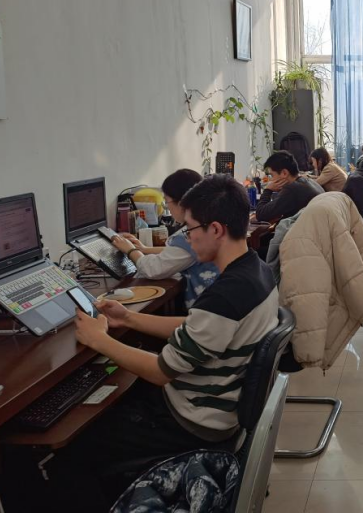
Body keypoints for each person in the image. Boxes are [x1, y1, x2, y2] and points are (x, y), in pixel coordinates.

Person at [49, 175, 279, 512]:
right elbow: (197, 327)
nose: (188, 237)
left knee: (70, 452)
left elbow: (160, 370)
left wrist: (99, 340)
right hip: (217, 411)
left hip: (192, 422)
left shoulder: (225, 296)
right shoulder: (256, 271)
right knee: (110, 401)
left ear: (215, 229)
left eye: (190, 229)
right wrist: (130, 319)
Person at [110, 169, 218, 308]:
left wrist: (131, 251)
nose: (167, 208)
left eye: (167, 202)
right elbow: (183, 251)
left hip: (206, 309)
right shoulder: (207, 223)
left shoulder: (191, 234)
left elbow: (153, 270)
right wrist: (145, 249)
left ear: (181, 203)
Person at [256, 150, 324, 223]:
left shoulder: (292, 189)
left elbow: (261, 214)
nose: (271, 180)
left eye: (272, 175)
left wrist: (268, 190)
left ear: (284, 173)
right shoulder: (308, 181)